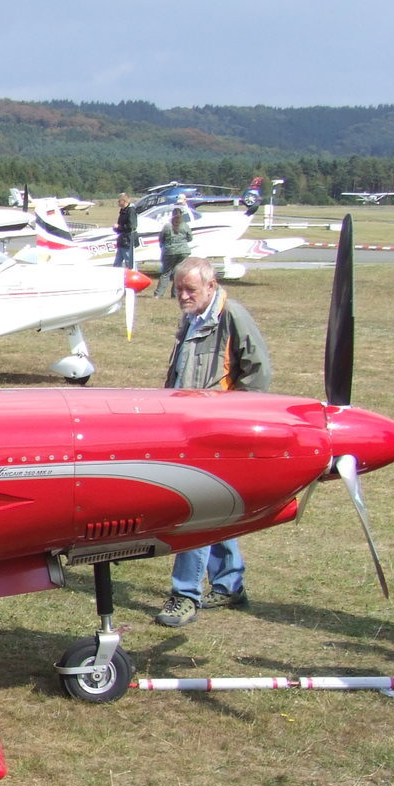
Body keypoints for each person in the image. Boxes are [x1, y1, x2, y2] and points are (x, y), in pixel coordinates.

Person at [153, 258, 272, 627]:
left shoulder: (231, 316)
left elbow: (258, 370)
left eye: (190, 289)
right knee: (220, 508)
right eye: (179, 290)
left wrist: (234, 416)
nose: (183, 296)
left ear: (210, 285)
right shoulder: (192, 316)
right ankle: (229, 583)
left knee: (197, 511)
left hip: (214, 432)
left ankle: (184, 595)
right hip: (184, 428)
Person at [158, 204, 194, 293]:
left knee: (166, 273)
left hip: (169, 251)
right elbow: (190, 238)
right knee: (178, 273)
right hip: (183, 252)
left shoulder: (167, 226)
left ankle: (158, 293)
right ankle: (175, 294)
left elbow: (161, 238)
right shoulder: (185, 226)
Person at [113, 192, 136, 270]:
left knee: (129, 263)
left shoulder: (130, 211)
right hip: (122, 240)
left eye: (119, 201)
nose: (118, 202)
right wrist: (117, 228)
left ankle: (134, 278)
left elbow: (132, 226)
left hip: (128, 240)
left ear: (124, 201)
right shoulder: (123, 211)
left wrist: (119, 227)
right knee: (117, 263)